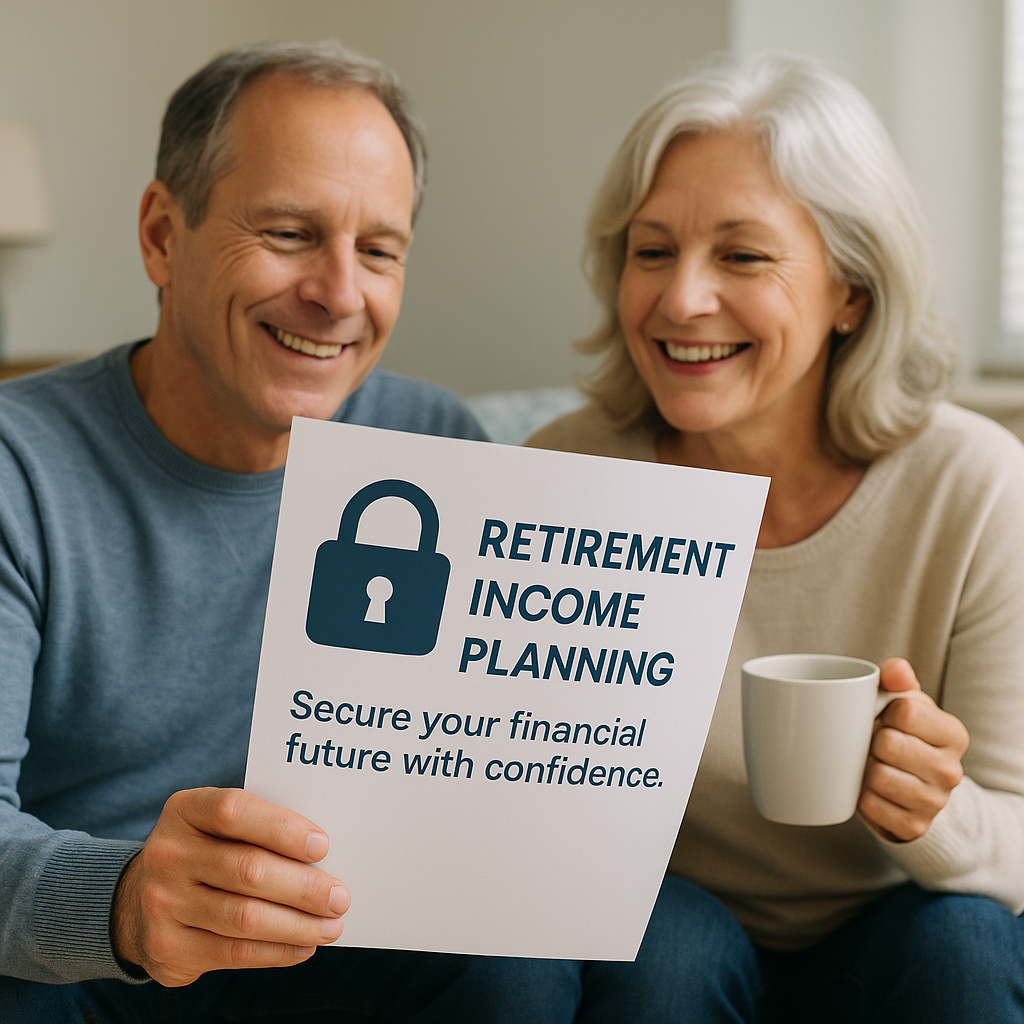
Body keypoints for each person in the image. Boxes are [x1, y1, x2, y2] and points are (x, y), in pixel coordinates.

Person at [515, 54, 1024, 1022]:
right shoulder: (567, 474)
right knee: (658, 952)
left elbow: (1016, 828)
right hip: (672, 921)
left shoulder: (972, 483)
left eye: (741, 256)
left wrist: (935, 812)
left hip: (896, 925)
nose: (679, 300)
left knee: (963, 944)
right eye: (651, 251)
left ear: (851, 293)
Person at [0, 41, 496, 1022]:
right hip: (83, 960)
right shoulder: (19, 470)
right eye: (288, 231)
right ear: (160, 235)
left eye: (380, 250)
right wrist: (129, 902)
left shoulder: (438, 446)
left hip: (339, 936)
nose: (340, 293)